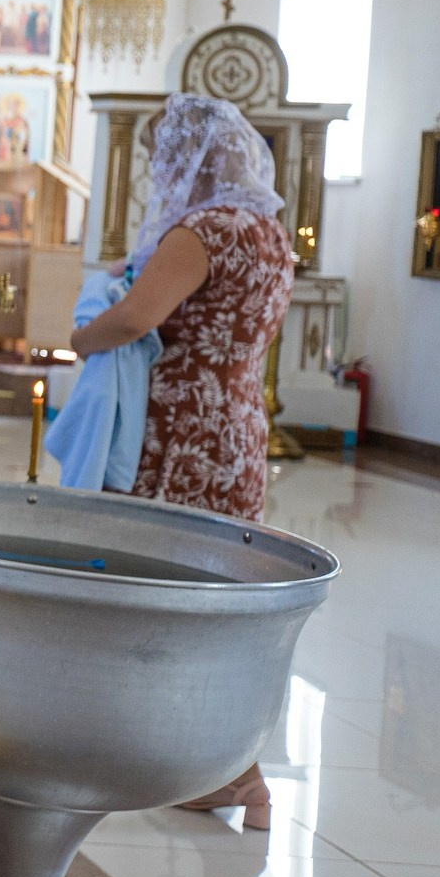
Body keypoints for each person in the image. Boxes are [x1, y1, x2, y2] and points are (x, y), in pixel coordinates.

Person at [67, 93, 294, 825]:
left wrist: (80, 338)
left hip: (179, 429)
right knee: (221, 599)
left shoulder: (201, 230)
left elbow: (137, 317)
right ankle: (238, 770)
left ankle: (217, 769)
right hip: (238, 428)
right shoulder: (267, 230)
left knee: (164, 594)